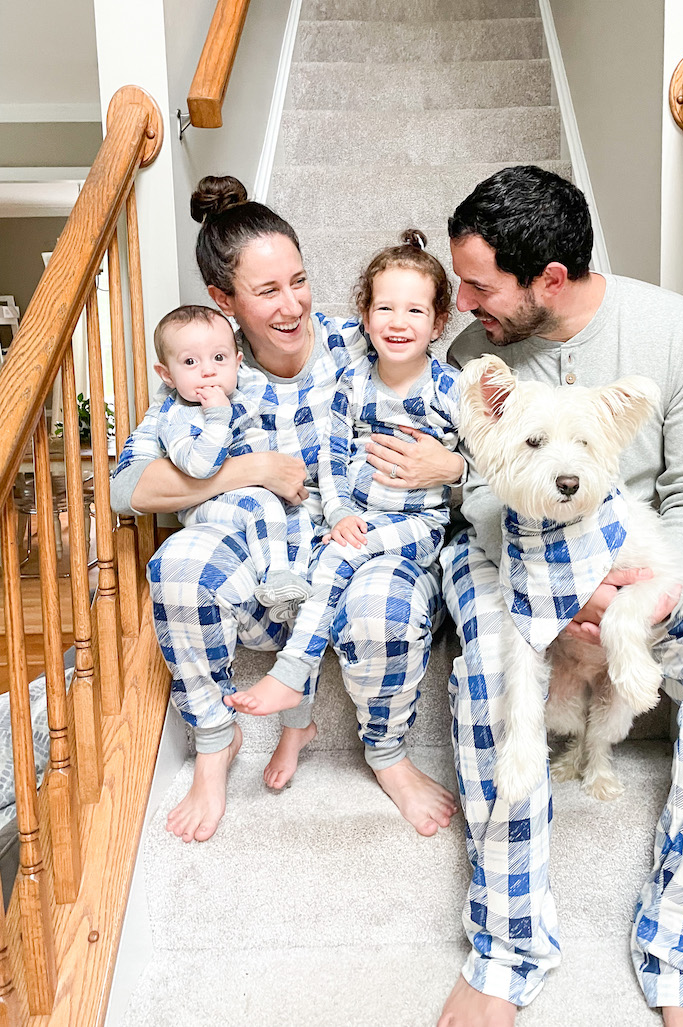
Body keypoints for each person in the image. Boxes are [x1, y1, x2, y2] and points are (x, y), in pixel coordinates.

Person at [436, 165, 683, 1027]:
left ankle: (677, 945)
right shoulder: (472, 358)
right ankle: (507, 943)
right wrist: (564, 584)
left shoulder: (679, 330)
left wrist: (656, 583)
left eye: (479, 284)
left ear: (548, 280)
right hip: (507, 550)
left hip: (644, 555)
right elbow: (479, 491)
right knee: (493, 667)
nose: (460, 302)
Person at [110, 175, 463, 842]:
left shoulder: (359, 341)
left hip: (356, 553)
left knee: (385, 605)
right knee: (181, 562)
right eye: (268, 290)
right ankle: (217, 739)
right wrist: (252, 470)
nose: (293, 303)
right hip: (261, 576)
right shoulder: (210, 368)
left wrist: (453, 468)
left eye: (299, 280)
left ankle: (387, 754)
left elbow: (454, 409)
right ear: (224, 299)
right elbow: (130, 489)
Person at [227, 230, 461, 738]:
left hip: (416, 525)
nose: (398, 323)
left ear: (439, 322)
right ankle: (296, 726)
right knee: (316, 569)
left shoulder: (450, 388)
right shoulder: (353, 381)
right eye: (385, 309)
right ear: (365, 315)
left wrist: (455, 465)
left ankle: (290, 672)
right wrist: (336, 513)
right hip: (355, 518)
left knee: (332, 561)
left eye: (416, 312)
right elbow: (330, 460)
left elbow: (488, 455)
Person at [151, 303, 311, 622]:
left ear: (237, 363)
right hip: (206, 503)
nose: (208, 370)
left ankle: (288, 594)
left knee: (300, 518)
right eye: (190, 362)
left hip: (252, 500)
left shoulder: (239, 396)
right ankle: (276, 576)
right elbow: (199, 467)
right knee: (262, 503)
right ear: (167, 375)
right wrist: (217, 417)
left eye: (219, 358)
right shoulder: (178, 417)